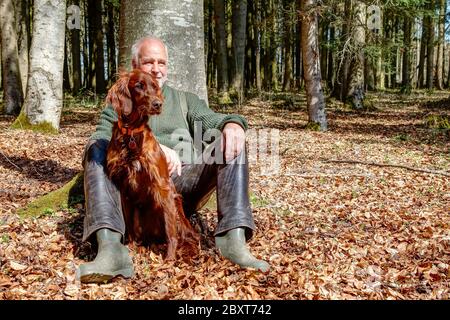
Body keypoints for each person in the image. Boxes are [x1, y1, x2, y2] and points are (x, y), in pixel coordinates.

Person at [76, 36, 270, 284]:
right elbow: (102, 138)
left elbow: (212, 121)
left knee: (232, 141)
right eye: (148, 62)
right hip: (140, 187)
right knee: (95, 148)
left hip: (184, 180)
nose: (156, 69)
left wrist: (233, 123)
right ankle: (110, 249)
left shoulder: (184, 100)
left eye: (162, 63)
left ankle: (234, 242)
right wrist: (154, 147)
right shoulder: (121, 103)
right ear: (135, 63)